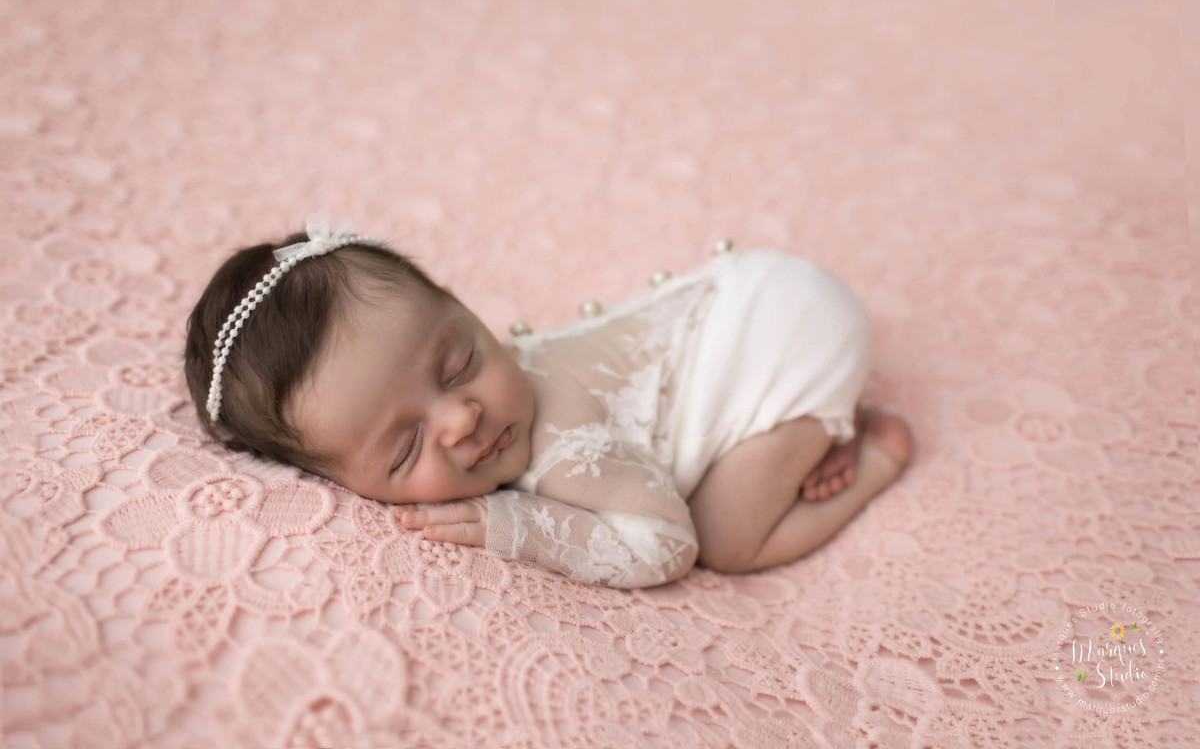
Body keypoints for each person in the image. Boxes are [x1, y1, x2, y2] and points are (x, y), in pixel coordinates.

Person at [184, 216, 913, 588]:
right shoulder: (479, 395)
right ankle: (808, 437)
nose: (462, 418)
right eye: (405, 448)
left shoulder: (564, 449)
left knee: (728, 539)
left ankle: (872, 453)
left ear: (463, 307)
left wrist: (522, 527)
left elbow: (669, 544)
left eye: (459, 361)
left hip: (790, 335)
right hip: (749, 292)